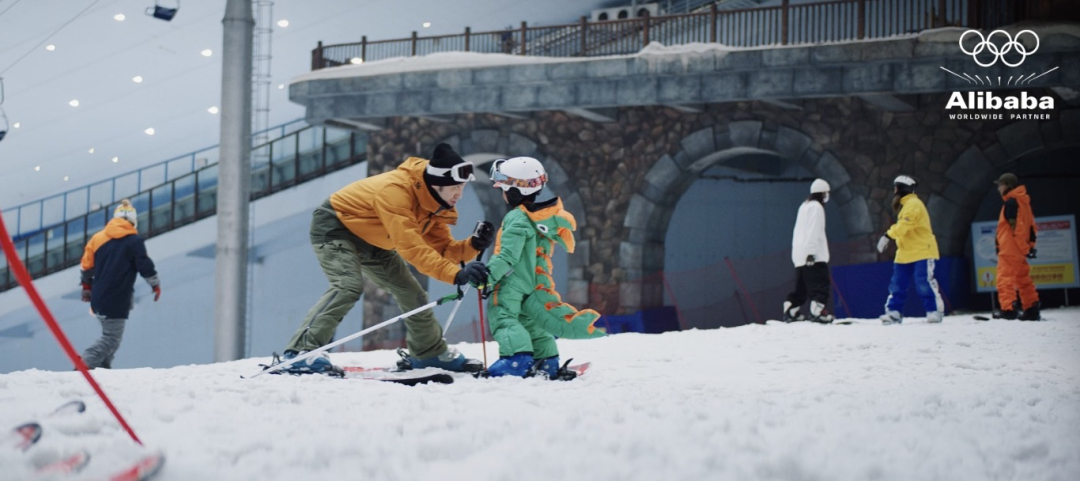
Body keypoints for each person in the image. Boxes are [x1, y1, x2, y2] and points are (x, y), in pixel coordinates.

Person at [280, 143, 492, 373]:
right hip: (336, 225)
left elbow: (442, 249)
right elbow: (412, 248)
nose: (459, 194)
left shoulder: (437, 206)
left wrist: (472, 245)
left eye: (461, 187)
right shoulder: (396, 192)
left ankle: (429, 353)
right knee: (347, 285)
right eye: (455, 187)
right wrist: (456, 274)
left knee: (412, 293)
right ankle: (301, 353)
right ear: (438, 184)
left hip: (376, 238)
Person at [481, 157, 606, 378]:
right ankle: (546, 359)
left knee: (503, 316)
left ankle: (515, 361)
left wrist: (486, 276)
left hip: (512, 282)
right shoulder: (540, 217)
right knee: (529, 320)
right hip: (532, 282)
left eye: (503, 187)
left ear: (512, 191)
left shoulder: (516, 218)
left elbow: (507, 256)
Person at [79, 199, 160, 369]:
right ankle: (84, 366)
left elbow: (86, 266)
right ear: (133, 221)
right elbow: (144, 265)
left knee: (109, 338)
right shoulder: (134, 241)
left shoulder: (98, 238)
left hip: (98, 297)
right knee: (111, 340)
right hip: (117, 297)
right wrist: (155, 284)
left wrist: (86, 287)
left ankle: (102, 371)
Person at [876, 175, 944, 324]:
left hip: (922, 251)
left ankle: (934, 310)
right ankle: (894, 311)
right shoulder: (906, 205)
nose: (894, 191)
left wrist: (888, 236)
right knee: (898, 283)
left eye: (896, 187)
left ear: (902, 188)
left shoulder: (914, 204)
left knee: (923, 281)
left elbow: (905, 225)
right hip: (905, 252)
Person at [783, 179, 834, 323]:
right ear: (823, 193)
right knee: (820, 284)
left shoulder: (803, 206)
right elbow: (814, 230)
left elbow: (798, 231)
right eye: (826, 193)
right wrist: (811, 252)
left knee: (802, 287)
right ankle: (818, 312)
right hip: (813, 255)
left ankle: (791, 308)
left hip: (799, 254)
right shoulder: (817, 207)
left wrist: (802, 253)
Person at [994, 173, 1040, 320]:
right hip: (1019, 249)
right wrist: (1029, 246)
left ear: (1007, 185)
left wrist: (1022, 247)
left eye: (1000, 185)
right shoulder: (1023, 202)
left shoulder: (1011, 203)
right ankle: (1031, 308)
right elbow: (1031, 227)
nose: (998, 189)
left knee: (1004, 278)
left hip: (1010, 248)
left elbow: (1016, 228)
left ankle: (1008, 309)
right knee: (1023, 279)